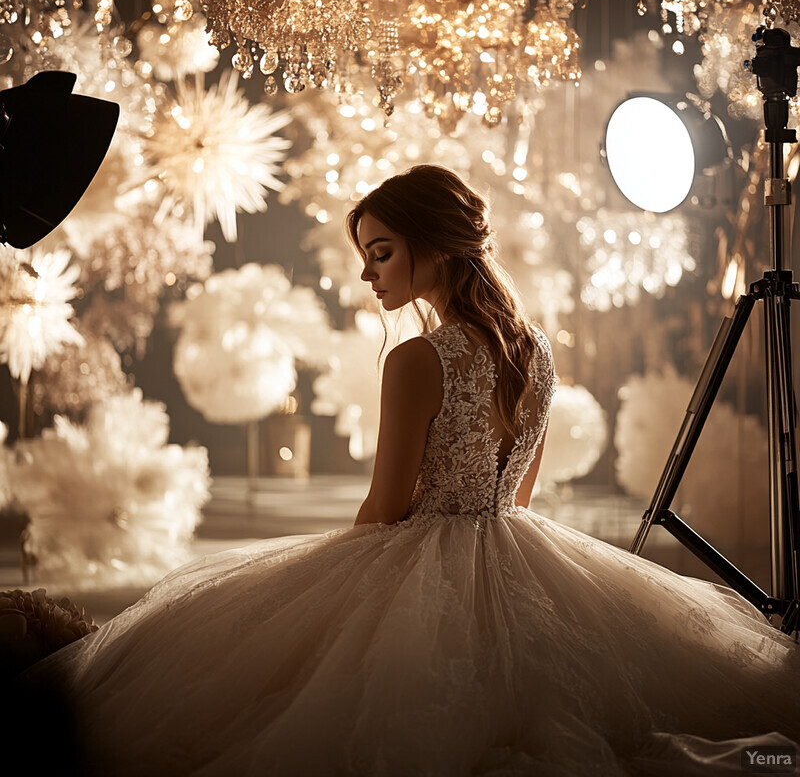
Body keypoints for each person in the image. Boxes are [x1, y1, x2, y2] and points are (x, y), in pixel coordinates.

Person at [18, 165, 800, 776]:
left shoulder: (419, 357)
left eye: (381, 252)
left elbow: (387, 508)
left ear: (437, 245)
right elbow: (518, 494)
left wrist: (323, 587)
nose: (369, 275)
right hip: (526, 547)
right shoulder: (537, 349)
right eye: (367, 256)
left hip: (428, 550)